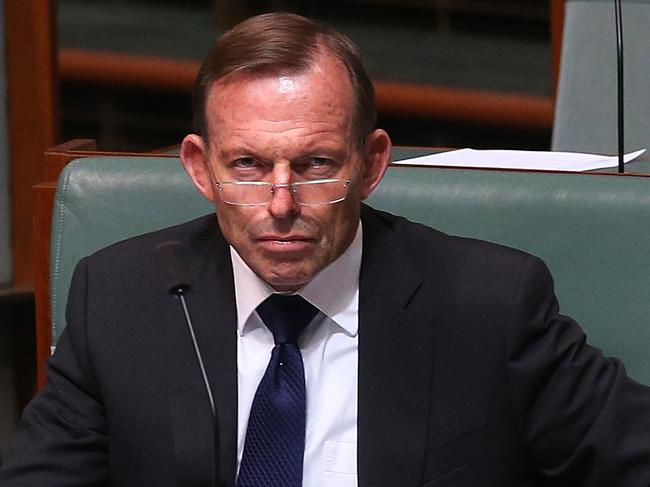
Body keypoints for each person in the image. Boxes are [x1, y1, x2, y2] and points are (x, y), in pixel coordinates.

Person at [2, 11, 650, 487]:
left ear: (371, 164)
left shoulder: (490, 306)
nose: (282, 203)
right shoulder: (118, 300)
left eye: (314, 163)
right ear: (200, 168)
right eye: (249, 165)